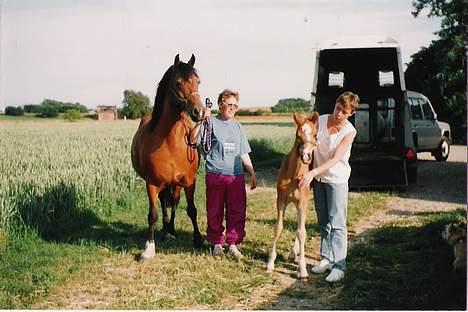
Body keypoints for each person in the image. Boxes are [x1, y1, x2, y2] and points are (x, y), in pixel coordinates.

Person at [298, 91, 360, 282]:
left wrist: (313, 172)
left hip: (336, 179)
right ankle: (326, 258)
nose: (339, 114)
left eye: (344, 111)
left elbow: (335, 159)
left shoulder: (349, 132)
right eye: (337, 108)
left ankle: (339, 266)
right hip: (319, 180)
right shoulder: (322, 120)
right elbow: (308, 140)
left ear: (351, 113)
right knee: (323, 221)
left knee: (338, 223)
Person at [190, 89, 257, 261]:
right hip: (215, 174)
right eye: (229, 104)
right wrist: (202, 119)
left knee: (237, 210)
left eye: (235, 105)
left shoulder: (237, 126)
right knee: (215, 210)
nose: (232, 108)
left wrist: (252, 172)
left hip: (236, 176)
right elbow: (192, 140)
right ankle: (217, 243)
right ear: (220, 105)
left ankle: (233, 244)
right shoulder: (210, 122)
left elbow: (243, 152)